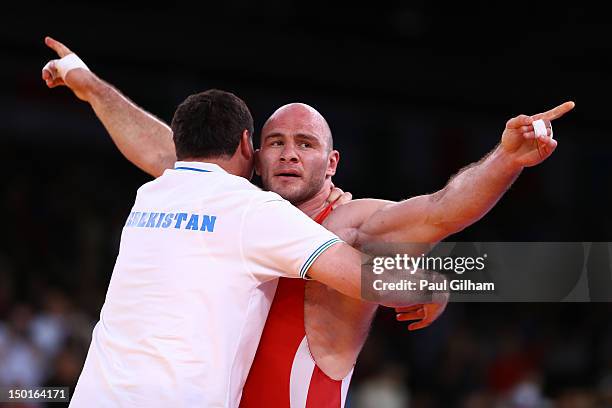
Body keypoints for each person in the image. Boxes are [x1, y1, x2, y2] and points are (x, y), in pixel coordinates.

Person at [42, 37, 574, 407]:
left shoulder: (352, 222)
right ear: (251, 153)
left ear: (332, 162)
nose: (289, 154)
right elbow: (171, 151)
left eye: (305, 144)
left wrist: (507, 160)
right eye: (276, 142)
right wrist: (89, 86)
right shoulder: (236, 204)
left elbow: (442, 209)